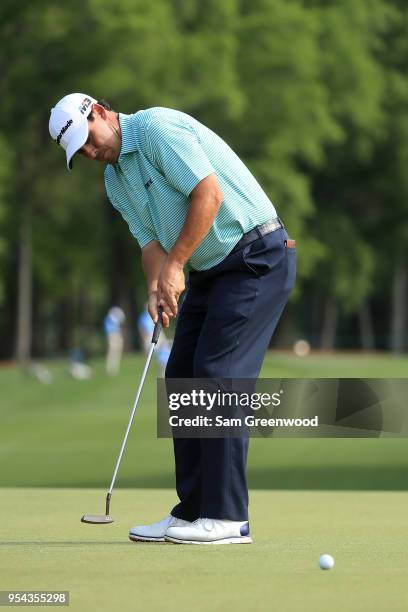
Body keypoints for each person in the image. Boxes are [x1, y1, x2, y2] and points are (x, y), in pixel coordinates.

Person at [49, 93, 296, 544]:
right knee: (182, 377)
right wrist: (155, 286)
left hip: (255, 256)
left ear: (100, 113)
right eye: (79, 152)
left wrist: (176, 266)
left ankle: (228, 517)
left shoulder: (158, 129)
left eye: (88, 140)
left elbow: (209, 195)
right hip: (210, 270)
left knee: (217, 375)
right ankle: (193, 511)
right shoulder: (115, 181)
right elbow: (150, 245)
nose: (88, 152)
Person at [138, 304, 171, 376]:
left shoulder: (155, 315)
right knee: (151, 355)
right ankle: (157, 369)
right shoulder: (144, 317)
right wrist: (144, 338)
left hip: (156, 335)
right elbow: (142, 329)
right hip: (149, 336)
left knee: (165, 349)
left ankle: (164, 368)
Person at [104, 306, 125, 376]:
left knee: (117, 352)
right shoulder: (109, 320)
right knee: (112, 352)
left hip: (117, 335)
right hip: (112, 335)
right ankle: (110, 369)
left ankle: (115, 368)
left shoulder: (114, 320)